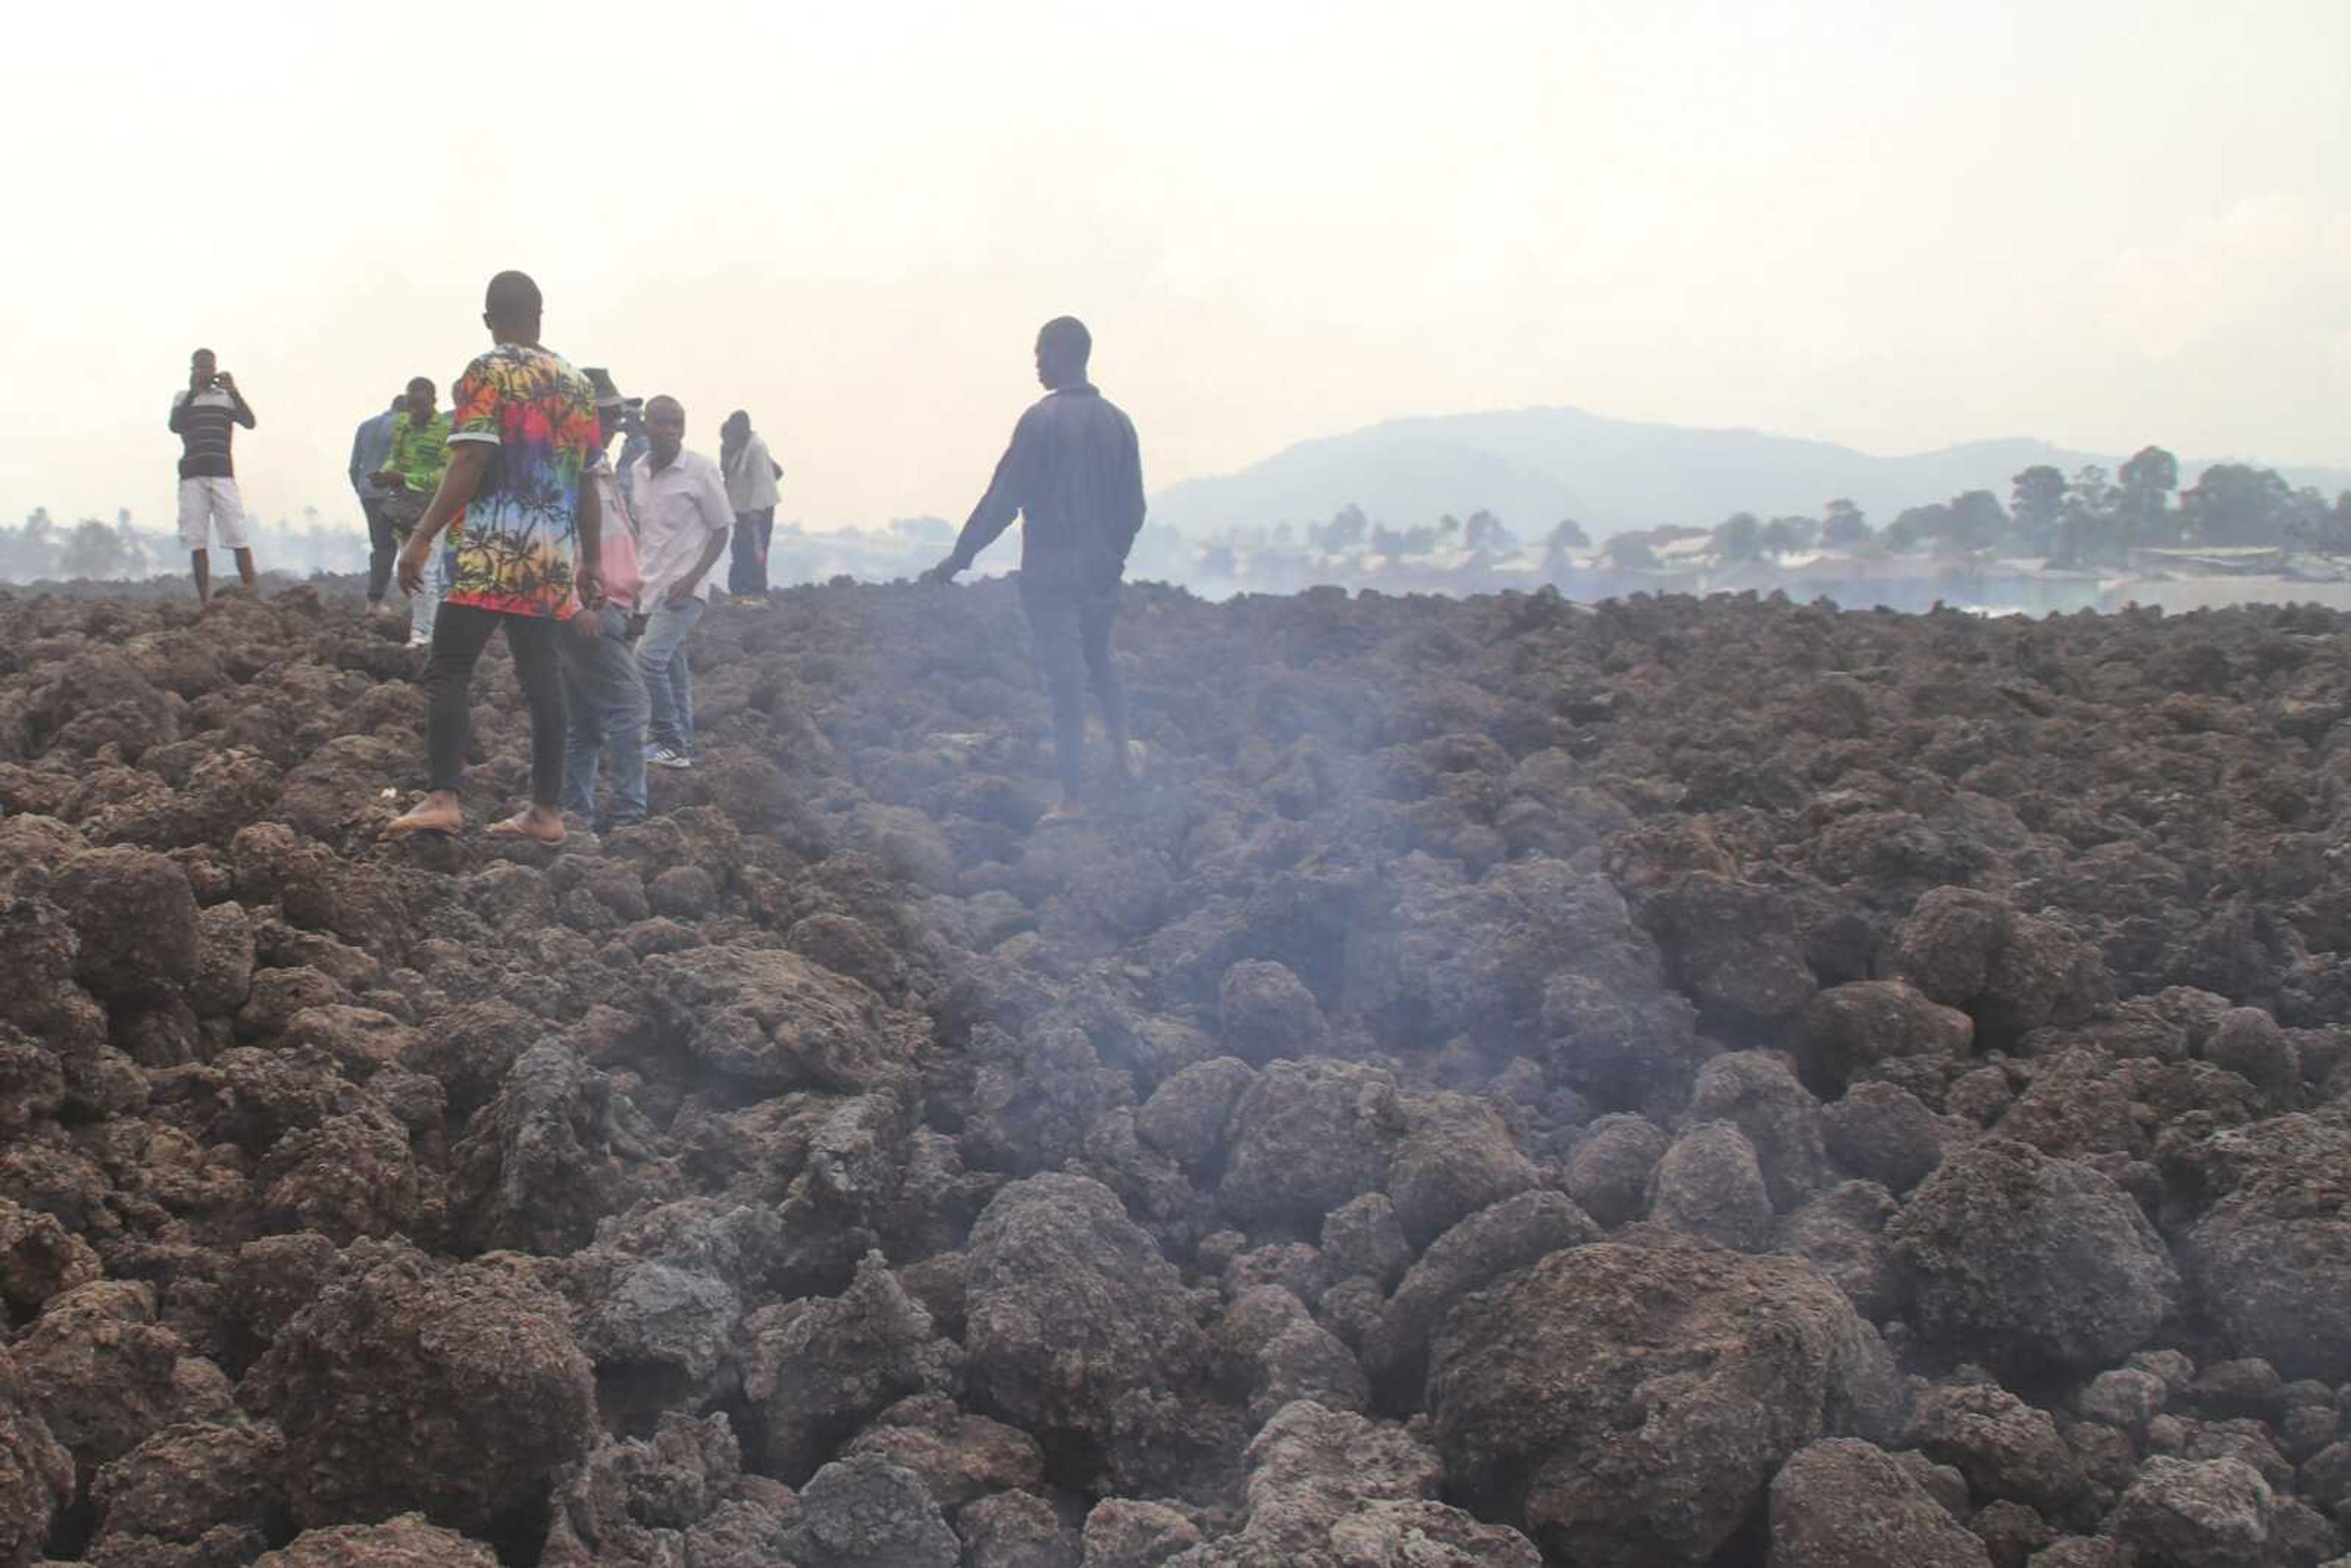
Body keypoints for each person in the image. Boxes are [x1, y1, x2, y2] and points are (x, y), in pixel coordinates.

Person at [384, 271, 603, 844]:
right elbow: (588, 483)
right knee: (542, 680)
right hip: (550, 557)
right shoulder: (578, 384)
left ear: (488, 319)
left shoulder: (487, 372)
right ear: (539, 315)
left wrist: (423, 534)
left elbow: (470, 461)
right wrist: (592, 561)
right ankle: (547, 811)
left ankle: (442, 797)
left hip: (490, 551)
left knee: (450, 667)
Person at [923, 317, 1146, 823]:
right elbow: (1135, 508)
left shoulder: (1040, 421)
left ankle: (1072, 799)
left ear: (1061, 354)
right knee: (1101, 662)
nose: (1037, 363)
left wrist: (959, 558)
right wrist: (1113, 559)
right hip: (1100, 576)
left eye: (1040, 353)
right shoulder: (1120, 423)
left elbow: (1004, 498)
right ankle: (1124, 760)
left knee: (1066, 679)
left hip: (1050, 575)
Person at [559, 386, 652, 831]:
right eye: (608, 415)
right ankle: (631, 822)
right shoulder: (569, 469)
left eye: (618, 414)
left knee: (586, 725)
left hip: (607, 605)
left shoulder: (600, 466)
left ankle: (575, 819)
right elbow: (553, 545)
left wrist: (634, 600)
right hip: (588, 612)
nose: (617, 423)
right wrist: (577, 606)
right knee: (631, 709)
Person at [628, 395, 734, 770]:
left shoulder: (701, 471)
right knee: (672, 668)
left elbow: (722, 530)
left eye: (677, 422)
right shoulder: (638, 470)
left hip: (684, 590)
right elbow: (644, 533)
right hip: (652, 587)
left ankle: (669, 742)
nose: (671, 430)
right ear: (646, 425)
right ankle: (682, 745)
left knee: (647, 660)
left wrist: (691, 579)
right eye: (662, 422)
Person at [169, 348, 260, 604]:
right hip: (192, 477)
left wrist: (234, 391)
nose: (204, 373)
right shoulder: (182, 398)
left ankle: (252, 595)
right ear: (192, 370)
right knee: (197, 542)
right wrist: (192, 395)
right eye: (199, 368)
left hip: (222, 474)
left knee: (238, 535)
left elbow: (249, 422)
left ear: (215, 369)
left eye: (208, 368)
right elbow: (176, 426)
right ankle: (205, 602)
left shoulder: (225, 398)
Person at [373, 376, 454, 647]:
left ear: (433, 401)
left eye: (420, 406)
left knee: (427, 571)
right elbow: (395, 456)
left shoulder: (446, 429)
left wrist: (405, 478)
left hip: (434, 508)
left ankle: (424, 635)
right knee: (408, 569)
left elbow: (446, 473)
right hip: (404, 508)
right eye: (411, 406)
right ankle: (424, 629)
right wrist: (387, 472)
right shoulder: (403, 425)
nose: (414, 412)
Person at [720, 410, 783, 597]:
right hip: (741, 508)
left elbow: (762, 480)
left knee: (756, 551)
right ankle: (739, 590)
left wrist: (755, 512)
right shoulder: (737, 448)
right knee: (740, 548)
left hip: (757, 510)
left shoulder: (756, 448)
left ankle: (756, 591)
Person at [349, 393, 403, 604]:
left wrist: (362, 489)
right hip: (394, 493)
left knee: (381, 546)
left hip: (368, 492)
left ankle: (375, 598)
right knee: (392, 547)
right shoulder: (404, 426)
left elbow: (354, 468)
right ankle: (375, 601)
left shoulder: (366, 426)